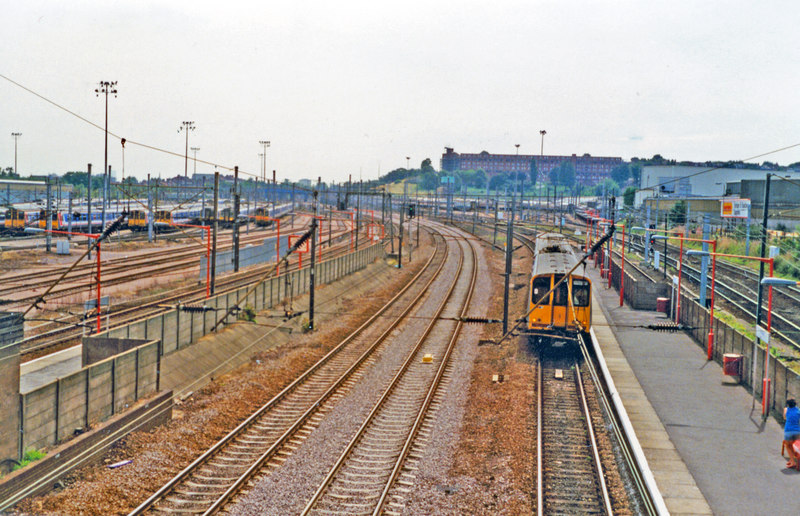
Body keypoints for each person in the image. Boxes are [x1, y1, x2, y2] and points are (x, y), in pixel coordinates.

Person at [783, 399, 800, 468]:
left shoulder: (786, 409)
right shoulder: (799, 411)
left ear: (788, 404)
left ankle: (793, 462)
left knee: (788, 446)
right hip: (797, 431)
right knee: (792, 445)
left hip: (788, 430)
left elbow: (784, 418)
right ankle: (791, 459)